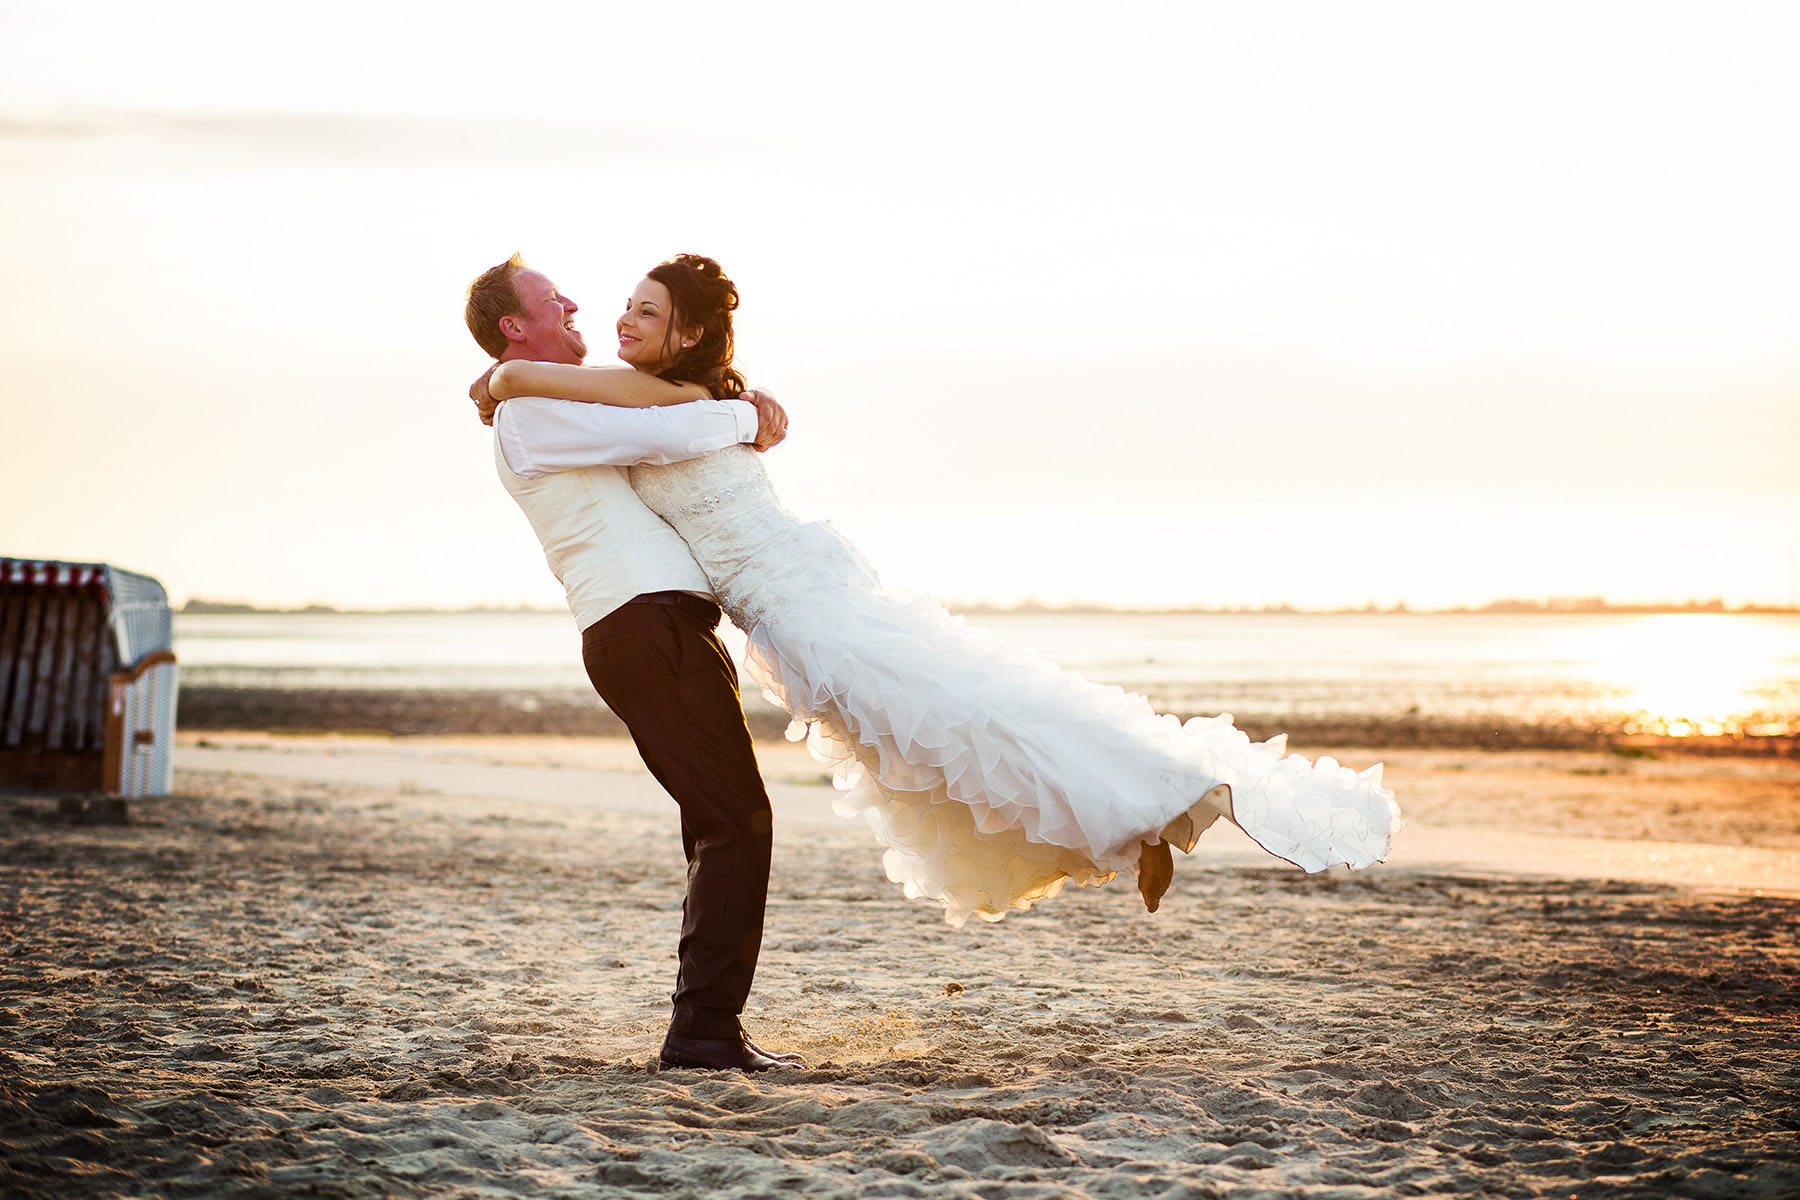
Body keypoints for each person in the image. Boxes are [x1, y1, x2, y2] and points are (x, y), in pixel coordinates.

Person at [474, 254, 1402, 929]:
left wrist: (515, 373)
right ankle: (1126, 825)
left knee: (956, 714)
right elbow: (599, 397)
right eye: (615, 305)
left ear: (684, 331)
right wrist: (522, 377)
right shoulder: (637, 398)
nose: (617, 316)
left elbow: (627, 405)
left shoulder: (661, 403)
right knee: (922, 749)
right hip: (778, 608)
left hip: (799, 597)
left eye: (642, 309)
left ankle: (1164, 800)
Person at [463, 254, 802, 1073]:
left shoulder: (535, 397)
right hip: (639, 622)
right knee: (737, 823)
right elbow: (664, 429)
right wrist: (747, 416)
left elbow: (646, 404)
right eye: (552, 300)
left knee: (719, 825)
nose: (575, 302)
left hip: (662, 624)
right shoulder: (531, 414)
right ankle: (703, 1035)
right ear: (516, 328)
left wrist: (495, 380)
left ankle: (704, 1027)